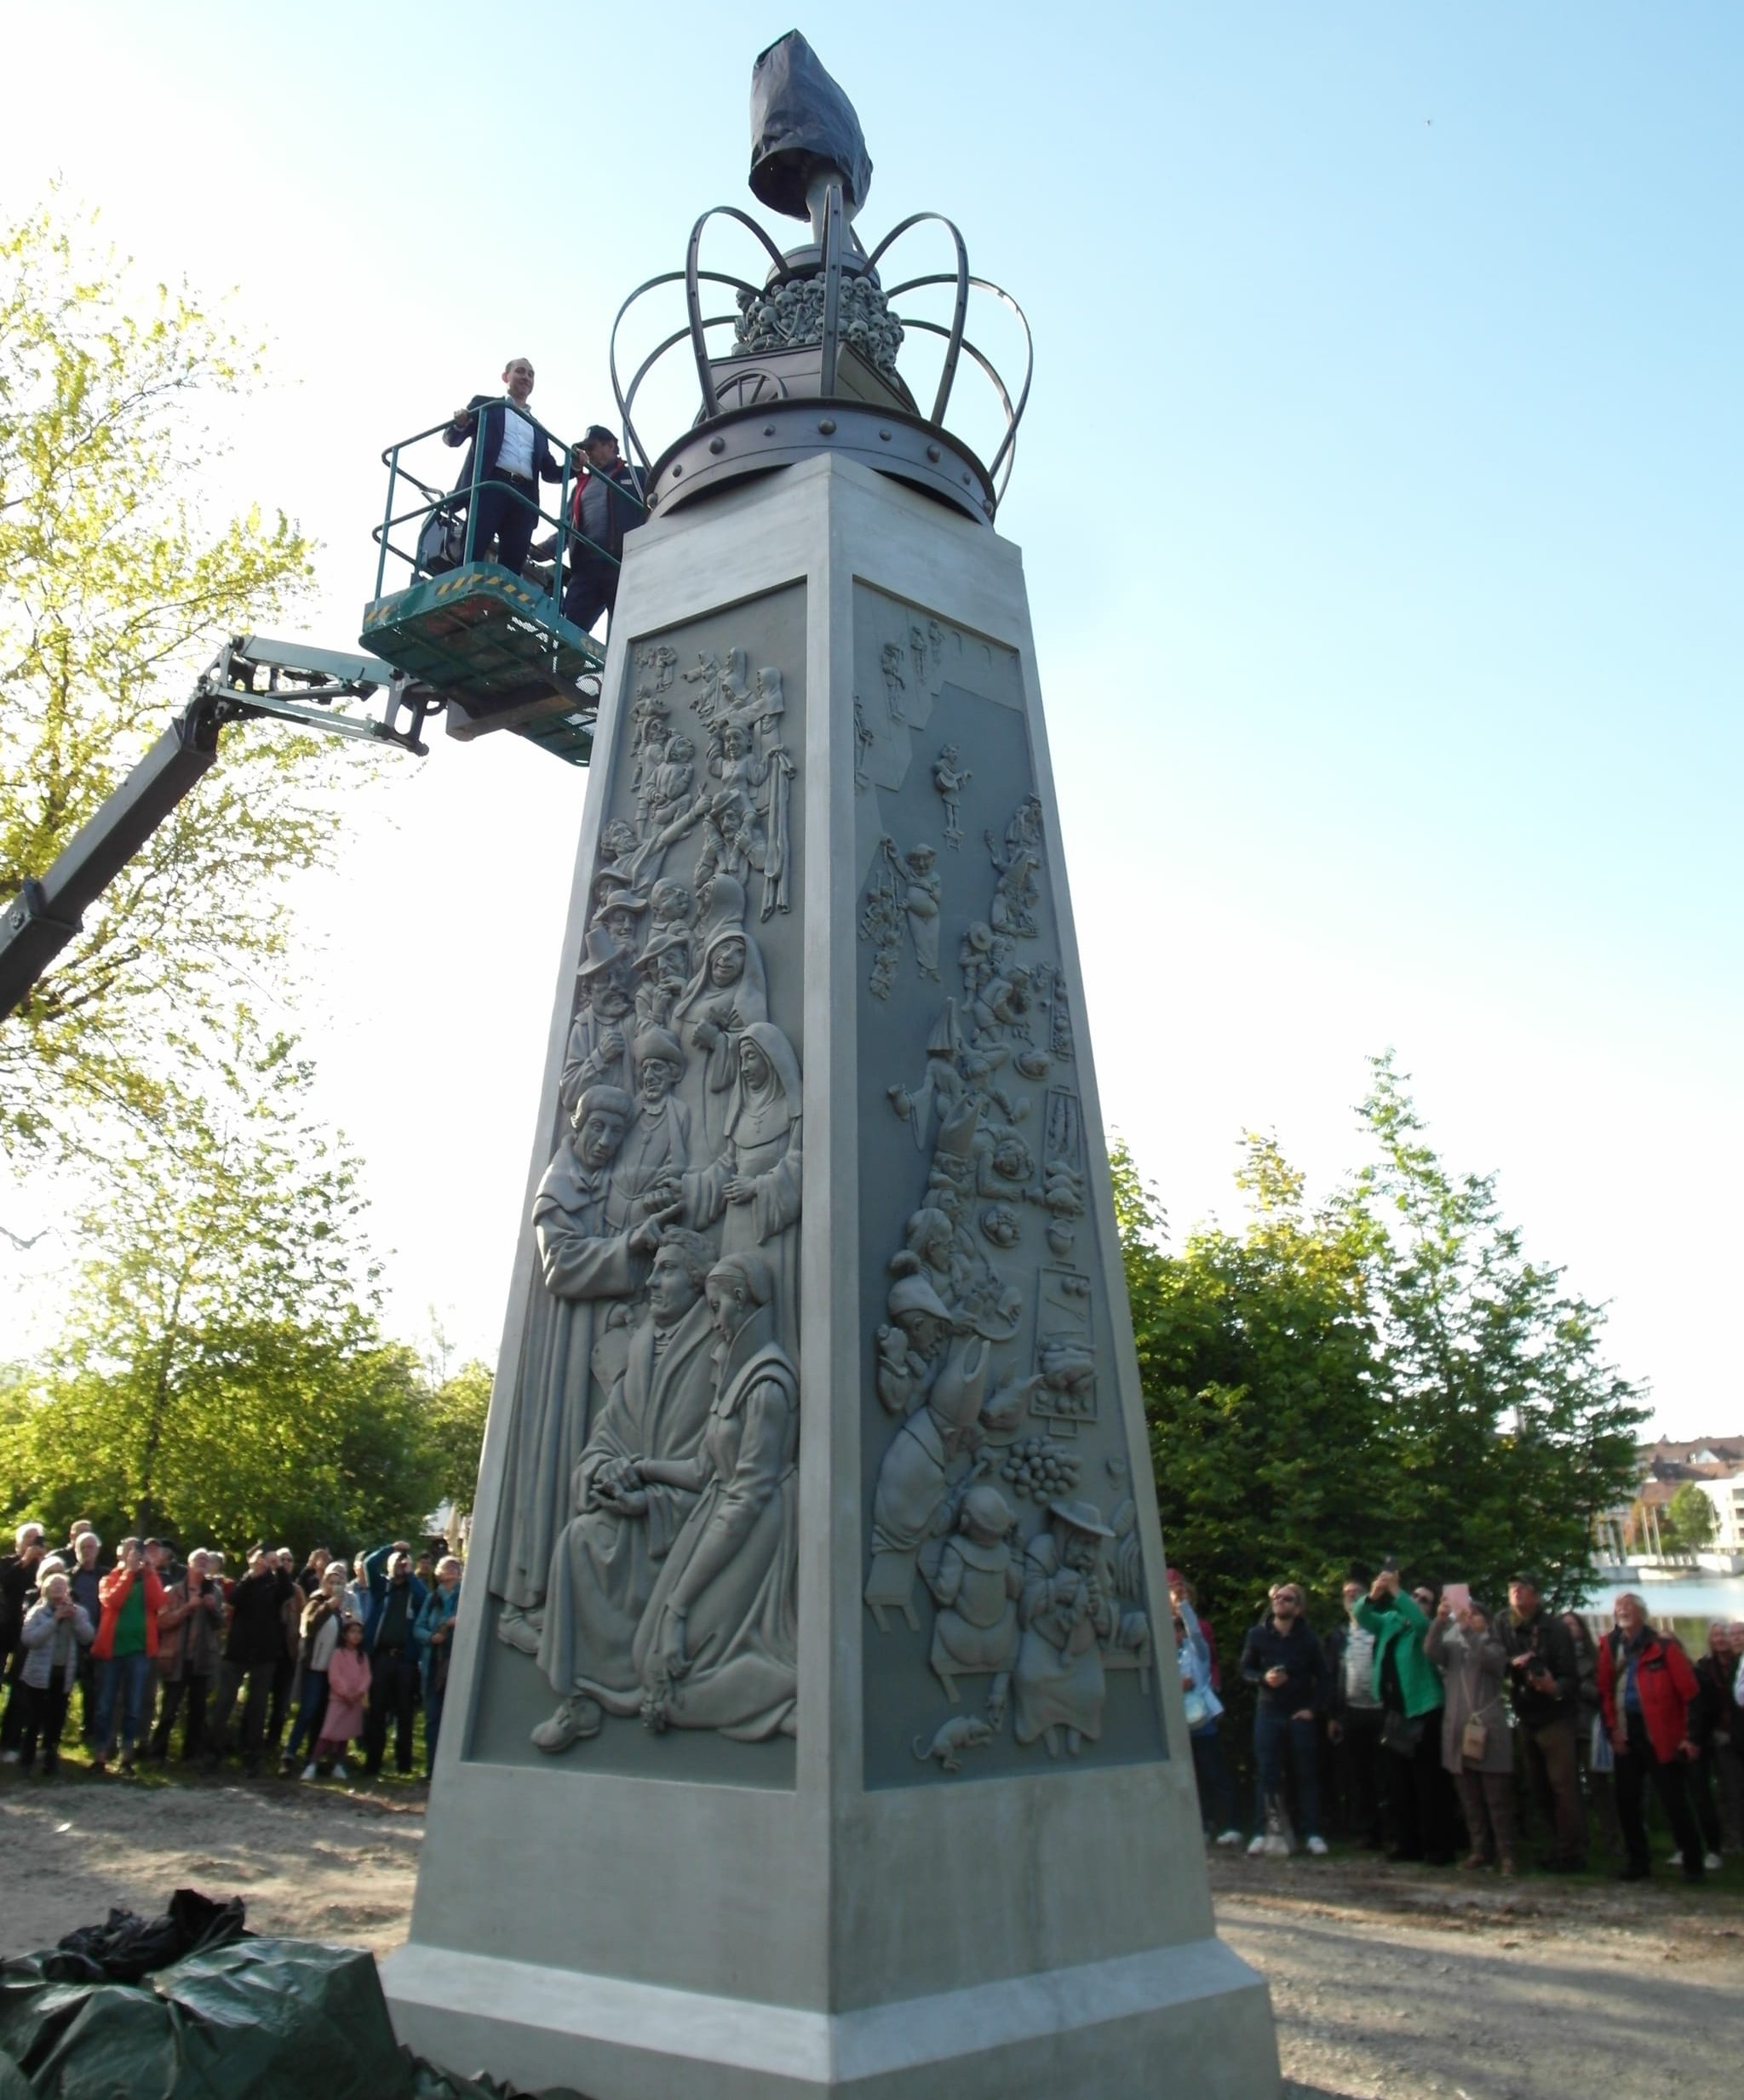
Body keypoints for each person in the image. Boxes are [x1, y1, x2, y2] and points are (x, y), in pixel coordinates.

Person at [1598, 1592, 1704, 1883]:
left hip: (1661, 1733)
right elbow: (1604, 1691)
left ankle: (1693, 1864)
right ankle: (1638, 1863)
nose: (1623, 1611)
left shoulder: (1663, 1647)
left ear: (1642, 1614)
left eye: (1629, 1607)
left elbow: (1691, 1693)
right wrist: (1612, 1729)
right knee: (1627, 1801)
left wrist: (1690, 1736)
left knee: (1674, 1801)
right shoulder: (1610, 1646)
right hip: (1626, 1730)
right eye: (1619, 1607)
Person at [1352, 1569, 1454, 1866]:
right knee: (1398, 1783)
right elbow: (1362, 1616)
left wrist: (1398, 1592)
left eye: (1424, 1599)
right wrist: (1374, 1594)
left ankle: (1437, 1848)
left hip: (1425, 1708)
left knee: (1429, 1783)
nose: (1417, 1600)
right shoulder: (1390, 1621)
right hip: (1395, 1710)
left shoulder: (1430, 1626)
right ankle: (1405, 1843)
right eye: (1415, 1596)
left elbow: (1421, 1623)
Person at [443, 357, 561, 577]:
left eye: (531, 374)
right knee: (473, 550)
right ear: (506, 377)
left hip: (524, 496)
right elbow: (451, 439)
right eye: (520, 371)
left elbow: (550, 471)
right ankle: (462, 588)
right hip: (490, 486)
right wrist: (459, 423)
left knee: (513, 563)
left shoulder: (538, 429)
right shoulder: (487, 406)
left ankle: (502, 600)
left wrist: (575, 466)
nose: (526, 377)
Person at [1425, 1593, 1516, 1873]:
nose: (1468, 1617)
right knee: (1470, 1799)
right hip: (1457, 1729)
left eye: (1475, 1614)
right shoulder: (1454, 1645)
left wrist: (1467, 1631)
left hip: (1489, 1730)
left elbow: (1490, 1661)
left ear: (1486, 1620)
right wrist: (1440, 1621)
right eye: (1466, 1613)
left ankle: (1507, 1854)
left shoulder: (1494, 1644)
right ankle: (1480, 1851)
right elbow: (1430, 1651)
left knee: (1496, 1799)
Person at [1500, 1575, 1585, 1872]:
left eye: (1522, 1589)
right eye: (1512, 1589)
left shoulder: (1555, 1629)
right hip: (1526, 1716)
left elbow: (1571, 1678)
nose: (1516, 1593)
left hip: (1555, 1717)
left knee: (1563, 1786)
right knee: (1539, 1787)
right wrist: (1511, 1664)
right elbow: (1495, 1660)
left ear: (1535, 1595)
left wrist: (1553, 1687)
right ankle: (1555, 1845)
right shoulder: (1505, 1625)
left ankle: (1571, 1852)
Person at [1238, 1581, 1329, 1856]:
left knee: (1305, 1773)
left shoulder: (1308, 1639)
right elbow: (1245, 1670)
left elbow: (1324, 1678)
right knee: (1266, 1772)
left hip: (1298, 1713)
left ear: (1298, 1608)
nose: (1280, 1601)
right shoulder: (1257, 1634)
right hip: (1268, 1712)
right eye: (1277, 1597)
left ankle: (1312, 1833)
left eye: (1288, 1599)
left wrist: (1313, 1709)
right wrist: (1263, 1679)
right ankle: (1262, 1831)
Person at [205, 1544, 295, 1776]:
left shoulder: (276, 1584)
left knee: (257, 1707)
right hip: (237, 1651)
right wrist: (251, 1575)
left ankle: (252, 1757)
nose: (262, 1563)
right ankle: (212, 1753)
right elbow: (233, 1600)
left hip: (265, 1654)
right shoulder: (245, 1581)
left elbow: (288, 1593)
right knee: (224, 1702)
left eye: (266, 1559)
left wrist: (279, 1567)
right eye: (259, 1559)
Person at [554, 426, 645, 631]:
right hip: (586, 568)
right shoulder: (581, 486)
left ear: (610, 446)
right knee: (569, 627)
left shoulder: (637, 475)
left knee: (628, 627)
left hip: (622, 563)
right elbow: (568, 525)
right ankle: (563, 653)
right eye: (585, 449)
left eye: (592, 447)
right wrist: (548, 547)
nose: (588, 453)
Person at [90, 1538, 166, 1773]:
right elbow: (113, 1601)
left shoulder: (150, 1578)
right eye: (129, 1551)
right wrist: (129, 1573)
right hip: (112, 1651)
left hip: (139, 1652)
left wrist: (150, 1573)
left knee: (134, 1706)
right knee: (105, 1705)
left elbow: (158, 1603)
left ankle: (126, 1758)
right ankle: (101, 1756)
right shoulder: (109, 1579)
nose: (135, 1555)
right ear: (120, 1554)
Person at [1325, 1576, 1386, 1849]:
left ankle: (1390, 1830)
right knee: (1358, 1775)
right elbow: (1330, 1676)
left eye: (1356, 1592)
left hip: (1382, 1710)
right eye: (1346, 1593)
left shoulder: (1381, 1628)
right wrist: (1332, 1715)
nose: (1350, 1597)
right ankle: (1366, 1832)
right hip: (1350, 1711)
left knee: (1385, 1773)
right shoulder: (1338, 1635)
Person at [1175, 1586, 1239, 1845]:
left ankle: (1229, 1825)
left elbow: (1196, 1633)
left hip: (1202, 1723)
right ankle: (1200, 1826)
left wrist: (1183, 1607)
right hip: (1178, 1726)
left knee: (1214, 1773)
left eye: (1176, 1630)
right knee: (1191, 1778)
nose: (1173, 1635)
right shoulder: (1164, 1658)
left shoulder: (1196, 1652)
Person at [151, 1548, 225, 1762]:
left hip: (202, 1659)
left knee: (198, 1710)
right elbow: (161, 1622)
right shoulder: (173, 1591)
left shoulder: (215, 1592)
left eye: (206, 1560)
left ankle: (191, 1755)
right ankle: (157, 1753)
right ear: (189, 1564)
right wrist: (186, 1609)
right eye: (199, 1559)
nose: (203, 1562)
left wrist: (212, 1609)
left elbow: (220, 1625)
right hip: (176, 1658)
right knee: (169, 1709)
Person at [16, 1571, 94, 1776]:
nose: (59, 1589)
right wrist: (54, 1620)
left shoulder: (78, 1612)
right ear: (46, 1590)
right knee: (34, 1718)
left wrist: (74, 1618)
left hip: (63, 1673)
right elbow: (29, 1639)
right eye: (54, 1585)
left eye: (62, 1585)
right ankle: (27, 1761)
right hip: (38, 1674)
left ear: (68, 1590)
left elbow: (88, 1637)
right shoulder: (38, 1612)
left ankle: (50, 1760)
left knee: (56, 1718)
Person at [361, 1544, 427, 1777]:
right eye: (397, 1562)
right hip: (381, 1658)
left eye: (404, 1562)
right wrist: (391, 1548)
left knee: (405, 1712)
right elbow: (369, 1564)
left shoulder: (414, 1590)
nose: (401, 1565)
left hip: (405, 1661)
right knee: (377, 1710)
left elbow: (424, 1599)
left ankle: (404, 1764)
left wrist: (410, 1575)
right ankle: (373, 1763)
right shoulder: (383, 1587)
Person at [286, 1564, 349, 1776]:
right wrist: (328, 1606)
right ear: (324, 1584)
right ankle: (289, 1753)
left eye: (339, 1583)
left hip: (331, 1672)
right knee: (308, 1711)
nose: (335, 1586)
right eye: (331, 1582)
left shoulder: (342, 1611)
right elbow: (309, 1627)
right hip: (313, 1667)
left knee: (321, 1715)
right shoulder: (315, 1603)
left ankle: (311, 1758)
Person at [1689, 1621, 1741, 1857]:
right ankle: (1732, 1838)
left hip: (1739, 1732)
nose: (1721, 1639)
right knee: (1727, 1789)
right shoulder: (1704, 1667)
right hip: (1718, 1735)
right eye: (1716, 1635)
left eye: (1725, 1635)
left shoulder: (1739, 1664)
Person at [0, 1523, 46, 1759]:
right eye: (28, 1537)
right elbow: (4, 1582)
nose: (32, 1541)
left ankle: (10, 1740)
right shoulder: (6, 1562)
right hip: (3, 1629)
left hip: (26, 1634)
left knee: (20, 1689)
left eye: (36, 1538)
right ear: (18, 1540)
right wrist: (25, 1561)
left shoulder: (44, 1566)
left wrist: (42, 1562)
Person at [413, 1556, 462, 1776]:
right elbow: (418, 1628)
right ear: (438, 1573)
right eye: (446, 1566)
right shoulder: (432, 1598)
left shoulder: (466, 1595)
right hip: (434, 1663)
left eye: (455, 1566)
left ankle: (453, 1769)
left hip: (458, 1663)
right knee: (433, 1716)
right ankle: (432, 1767)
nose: (451, 1569)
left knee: (456, 1718)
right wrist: (431, 1637)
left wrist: (458, 1621)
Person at [312, 1618, 370, 1781]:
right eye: (353, 1632)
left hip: (355, 1701)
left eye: (359, 1633)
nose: (356, 1636)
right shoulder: (338, 1654)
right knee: (327, 1732)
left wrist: (358, 1693)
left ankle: (339, 1765)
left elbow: (366, 1677)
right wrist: (345, 1693)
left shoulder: (362, 1656)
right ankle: (313, 1764)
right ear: (345, 1635)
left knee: (345, 1734)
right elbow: (334, 1676)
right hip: (338, 1699)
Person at [66, 1529, 106, 1745]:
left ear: (98, 1550)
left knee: (93, 1689)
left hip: (98, 1638)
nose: (87, 1551)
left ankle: (89, 1731)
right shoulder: (68, 1576)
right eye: (82, 1547)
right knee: (62, 1685)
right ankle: (55, 1731)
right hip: (69, 1638)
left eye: (91, 1547)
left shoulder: (106, 1576)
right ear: (75, 1550)